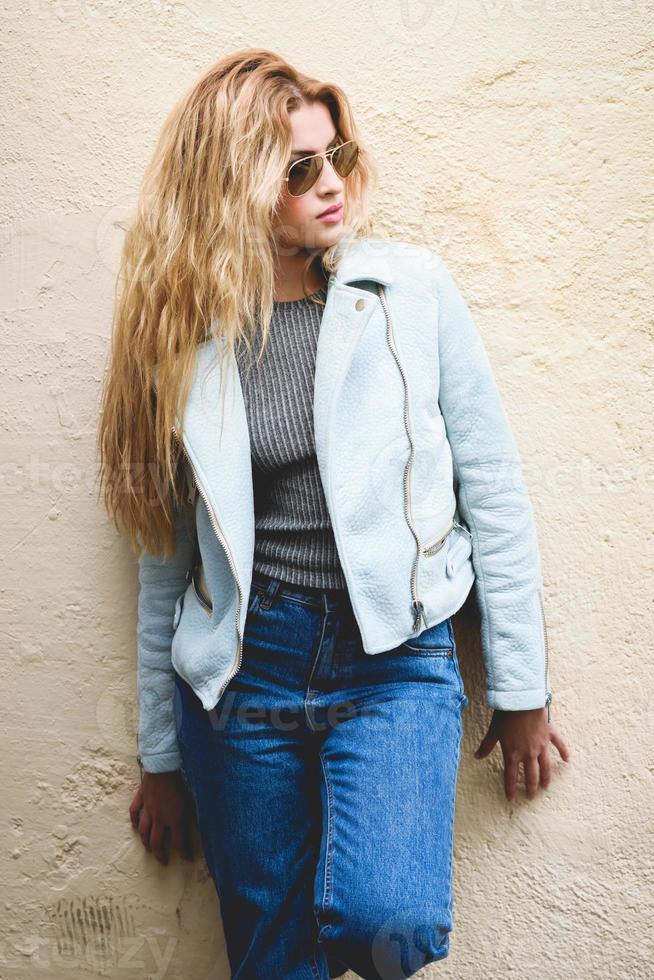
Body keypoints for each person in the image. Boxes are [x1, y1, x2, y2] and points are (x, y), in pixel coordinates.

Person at [97, 47, 571, 980]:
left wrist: (522, 689)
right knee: (273, 957)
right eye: (300, 168)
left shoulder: (409, 291)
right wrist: (159, 754)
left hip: (395, 662)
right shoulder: (186, 340)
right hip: (245, 673)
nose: (333, 184)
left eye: (336, 154)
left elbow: (494, 487)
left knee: (382, 920)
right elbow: (165, 561)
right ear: (231, 187)